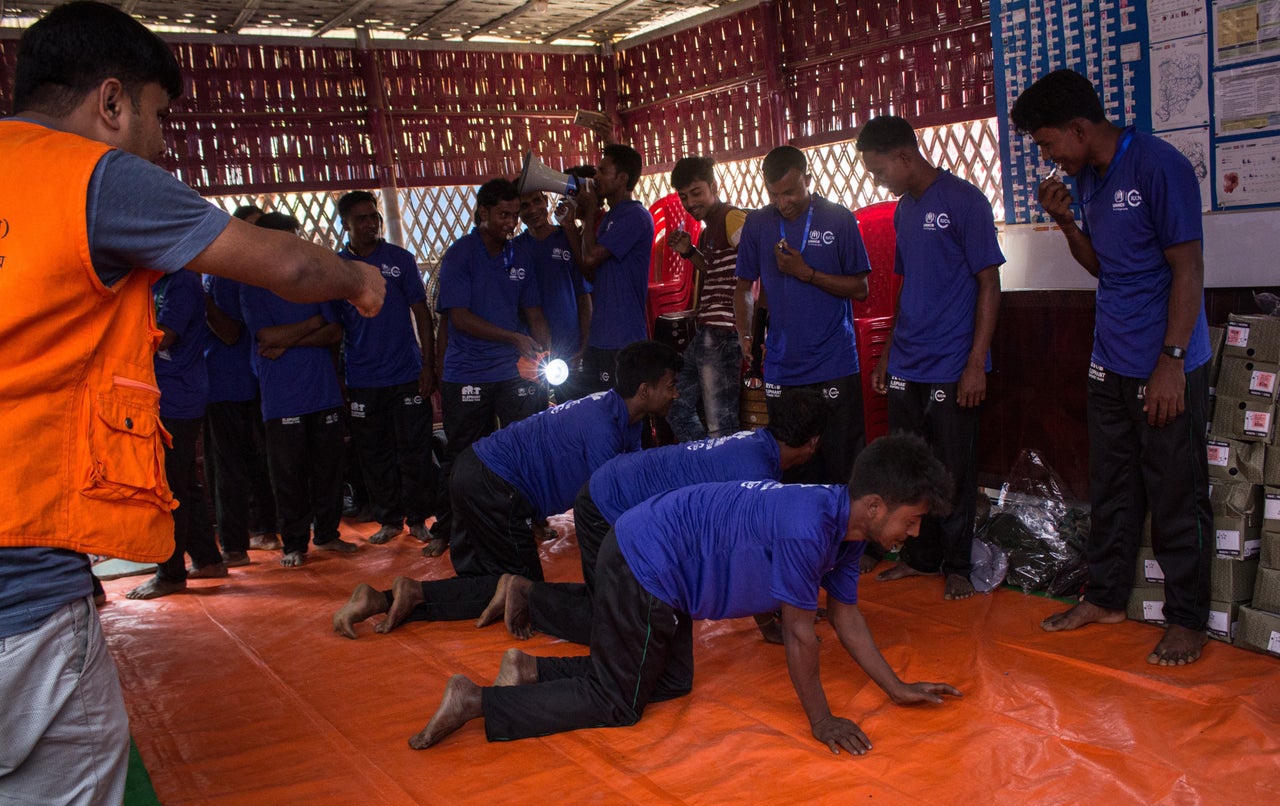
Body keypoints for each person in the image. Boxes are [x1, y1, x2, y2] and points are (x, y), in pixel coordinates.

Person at [0, 4, 384, 806]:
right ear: (111, 102)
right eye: (160, 117)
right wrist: (358, 278)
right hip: (21, 584)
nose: (165, 144)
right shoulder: (88, 174)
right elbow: (282, 261)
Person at [408, 433, 961, 753]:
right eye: (911, 522)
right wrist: (821, 721)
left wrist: (897, 688)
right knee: (618, 704)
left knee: (671, 680)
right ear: (874, 506)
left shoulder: (842, 529)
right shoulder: (808, 525)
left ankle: (529, 670)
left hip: (656, 556)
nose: (911, 536)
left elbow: (845, 616)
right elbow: (798, 632)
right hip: (644, 559)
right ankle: (478, 700)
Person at [1011, 69, 1212, 666]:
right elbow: (1105, 267)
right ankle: (1104, 598)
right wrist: (1067, 223)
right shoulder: (1089, 179)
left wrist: (1171, 362)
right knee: (1113, 487)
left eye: (1048, 144)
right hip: (1110, 360)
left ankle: (1188, 619)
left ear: (1079, 127)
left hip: (1165, 362)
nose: (1046, 157)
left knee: (1175, 491)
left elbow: (1189, 271)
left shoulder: (1158, 166)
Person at [331, 340, 683, 639]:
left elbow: (635, 487)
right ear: (644, 391)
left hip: (476, 472)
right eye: (670, 385)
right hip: (493, 485)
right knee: (524, 593)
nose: (676, 393)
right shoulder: (603, 428)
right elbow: (610, 511)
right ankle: (399, 595)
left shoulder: (624, 418)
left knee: (488, 586)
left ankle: (394, 597)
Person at [476, 387, 829, 645]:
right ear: (813, 443)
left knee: (619, 602)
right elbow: (744, 555)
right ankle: (528, 596)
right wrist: (770, 623)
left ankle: (524, 591)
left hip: (618, 492)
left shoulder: (755, 446)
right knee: (622, 630)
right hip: (609, 504)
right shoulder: (758, 472)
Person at [855, 115, 1005, 602]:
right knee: (908, 467)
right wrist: (888, 356)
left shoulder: (965, 201)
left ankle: (957, 565)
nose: (878, 181)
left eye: (880, 171)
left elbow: (989, 283)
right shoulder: (903, 210)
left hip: (952, 364)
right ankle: (920, 560)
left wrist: (975, 362)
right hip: (907, 364)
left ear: (903, 157)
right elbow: (907, 286)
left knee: (953, 469)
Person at [424, 178, 550, 557]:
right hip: (467, 373)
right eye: (503, 214)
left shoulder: (519, 257)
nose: (511, 222)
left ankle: (530, 518)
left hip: (514, 373)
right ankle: (448, 528)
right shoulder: (460, 255)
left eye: (514, 215)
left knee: (522, 448)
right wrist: (514, 339)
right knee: (463, 455)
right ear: (483, 212)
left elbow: (534, 313)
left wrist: (545, 351)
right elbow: (459, 319)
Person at [734, 145, 871, 487]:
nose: (783, 202)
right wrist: (745, 334)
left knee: (843, 465)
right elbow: (743, 288)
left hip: (834, 364)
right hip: (783, 367)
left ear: (808, 179)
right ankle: (803, 540)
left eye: (791, 192)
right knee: (792, 469)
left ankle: (850, 540)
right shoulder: (758, 224)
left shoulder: (839, 218)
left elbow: (860, 288)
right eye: (775, 194)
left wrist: (805, 272)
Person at [240, 213, 361, 567]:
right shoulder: (253, 286)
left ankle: (327, 535)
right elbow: (266, 337)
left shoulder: (314, 281)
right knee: (288, 474)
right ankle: (294, 543)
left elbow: (334, 331)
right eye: (288, 239)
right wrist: (312, 325)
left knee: (328, 469)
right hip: (282, 398)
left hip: (323, 391)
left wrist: (292, 336)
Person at [335, 190, 439, 546]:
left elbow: (422, 312)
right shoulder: (337, 267)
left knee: (415, 450)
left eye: (373, 218)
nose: (369, 225)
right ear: (345, 224)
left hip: (407, 373)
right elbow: (334, 329)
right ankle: (389, 520)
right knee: (374, 453)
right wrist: (340, 379)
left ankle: (420, 520)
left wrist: (428, 363)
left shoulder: (400, 259)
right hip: (362, 378)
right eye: (360, 219)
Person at [125, 270, 226, 599]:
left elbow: (165, 335)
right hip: (166, 393)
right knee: (182, 482)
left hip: (177, 396)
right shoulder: (153, 279)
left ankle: (170, 573)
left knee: (167, 485)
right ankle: (207, 559)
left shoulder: (180, 280)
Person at [203, 205, 282, 565]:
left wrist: (199, 299)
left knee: (233, 466)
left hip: (235, 383)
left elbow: (231, 331)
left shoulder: (232, 277)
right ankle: (259, 531)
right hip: (226, 382)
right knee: (244, 462)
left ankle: (236, 544)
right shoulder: (222, 274)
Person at [665, 156, 748, 441]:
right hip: (707, 333)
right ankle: (706, 466)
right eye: (684, 197)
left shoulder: (731, 217)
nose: (690, 203)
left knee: (721, 425)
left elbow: (755, 258)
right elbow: (718, 269)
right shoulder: (707, 229)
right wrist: (690, 252)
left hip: (723, 334)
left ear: (714, 186)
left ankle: (723, 478)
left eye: (696, 192)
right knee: (677, 408)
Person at [565, 144, 654, 393]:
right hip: (601, 338)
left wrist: (591, 209)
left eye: (603, 171)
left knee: (627, 413)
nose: (596, 177)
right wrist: (572, 230)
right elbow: (589, 271)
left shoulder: (634, 215)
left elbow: (591, 257)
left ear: (622, 178)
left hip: (623, 338)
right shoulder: (612, 218)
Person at [516, 190, 592, 401]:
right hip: (533, 355)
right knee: (537, 419)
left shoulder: (568, 238)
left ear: (546, 201)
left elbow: (584, 297)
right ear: (517, 211)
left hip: (570, 348)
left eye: (536, 201)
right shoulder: (516, 249)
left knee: (575, 415)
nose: (532, 209)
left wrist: (584, 346)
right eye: (524, 205)